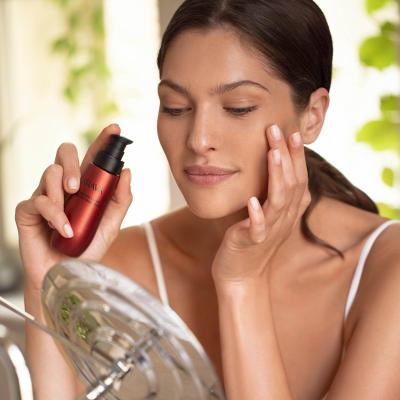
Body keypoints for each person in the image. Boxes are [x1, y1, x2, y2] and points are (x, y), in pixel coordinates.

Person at [15, 0, 400, 399]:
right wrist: (48, 283)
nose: (199, 140)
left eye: (238, 108)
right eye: (175, 107)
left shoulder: (387, 270)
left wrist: (242, 284)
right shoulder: (120, 266)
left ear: (313, 115)